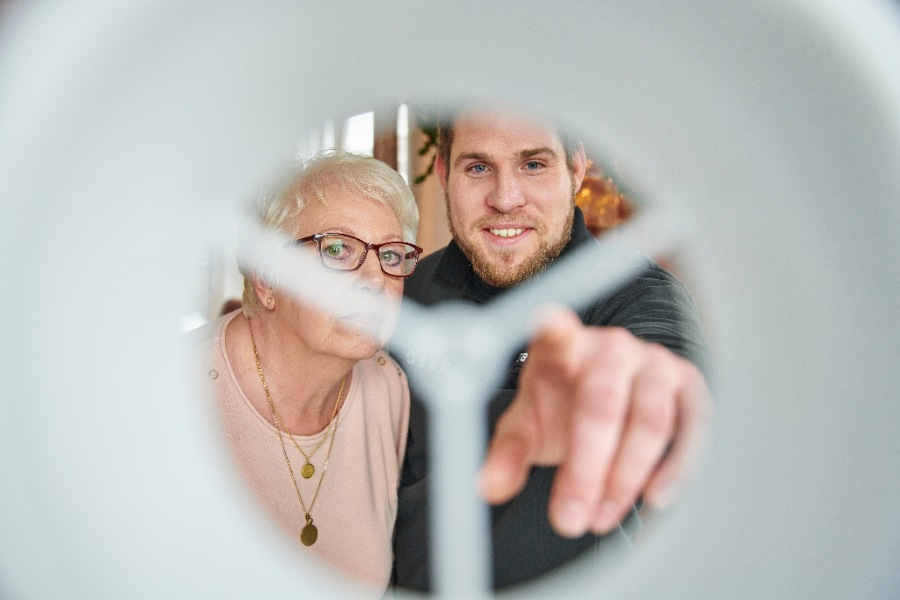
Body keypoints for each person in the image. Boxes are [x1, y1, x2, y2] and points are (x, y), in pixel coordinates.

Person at [392, 106, 711, 590]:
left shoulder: (634, 292)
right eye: (478, 167)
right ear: (443, 173)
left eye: (533, 164)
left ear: (576, 168)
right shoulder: (404, 295)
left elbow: (663, 361)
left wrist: (643, 385)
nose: (505, 198)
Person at [193, 150, 421, 590]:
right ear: (267, 280)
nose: (375, 279)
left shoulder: (388, 387)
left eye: (391, 256)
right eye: (337, 249)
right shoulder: (176, 391)